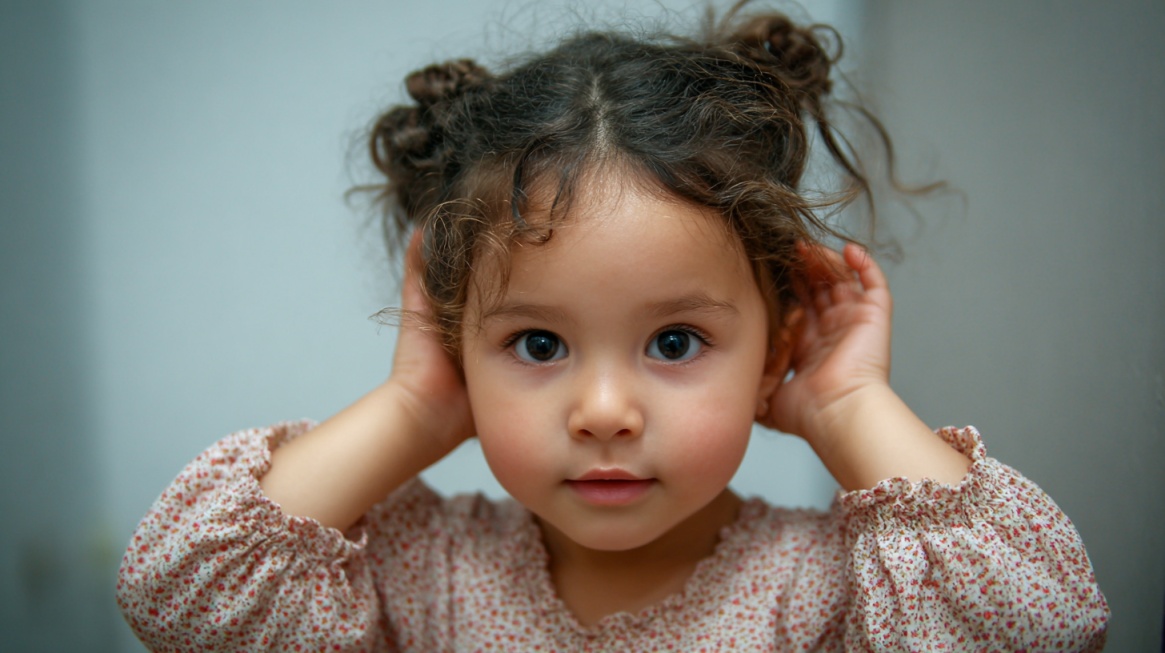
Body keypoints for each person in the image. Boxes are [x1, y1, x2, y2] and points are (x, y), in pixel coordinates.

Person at [116, 4, 1110, 651]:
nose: (601, 411)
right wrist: (415, 404)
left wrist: (848, 402)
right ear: (456, 335)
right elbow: (178, 596)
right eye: (537, 343)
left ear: (777, 336)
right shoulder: (424, 571)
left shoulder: (829, 591)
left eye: (674, 341)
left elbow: (1046, 624)